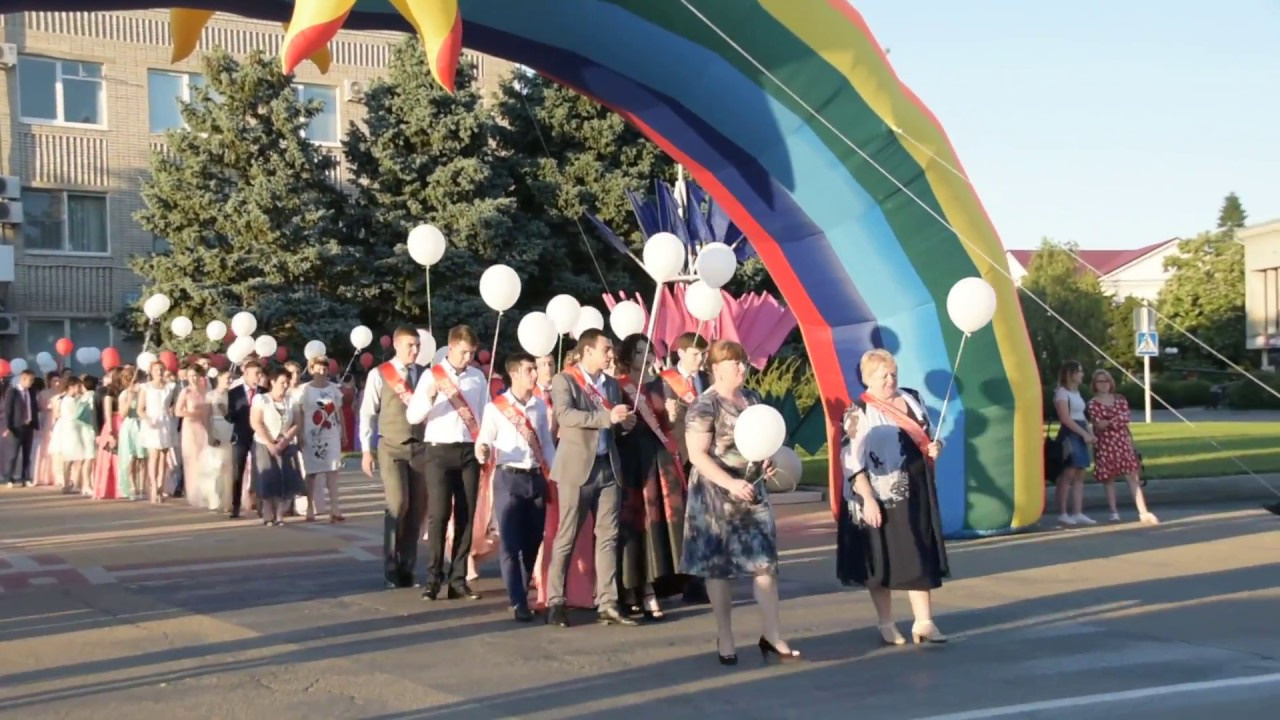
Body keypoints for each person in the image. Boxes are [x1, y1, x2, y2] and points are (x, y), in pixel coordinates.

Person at [682, 339, 799, 665]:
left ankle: (772, 634)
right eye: (734, 363)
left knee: (765, 565)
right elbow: (697, 455)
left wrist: (767, 462)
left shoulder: (753, 399)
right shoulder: (705, 406)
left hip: (752, 493)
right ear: (716, 369)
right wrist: (730, 482)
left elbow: (761, 442)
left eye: (743, 362)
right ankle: (725, 635)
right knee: (718, 569)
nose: (741, 368)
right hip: (716, 495)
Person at [837, 348, 950, 647]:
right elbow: (850, 459)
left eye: (893, 374)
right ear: (867, 379)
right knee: (880, 559)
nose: (890, 380)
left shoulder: (911, 397)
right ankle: (886, 623)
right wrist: (868, 498)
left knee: (918, 551)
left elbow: (930, 433)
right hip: (878, 494)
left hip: (916, 490)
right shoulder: (858, 411)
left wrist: (937, 446)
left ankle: (924, 622)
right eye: (883, 376)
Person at [545, 329, 638, 628]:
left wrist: (624, 424)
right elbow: (566, 416)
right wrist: (606, 418)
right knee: (567, 535)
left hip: (608, 466)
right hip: (577, 469)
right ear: (587, 352)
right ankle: (556, 601)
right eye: (605, 349)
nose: (611, 355)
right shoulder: (565, 380)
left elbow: (613, 425)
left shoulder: (611, 384)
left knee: (608, 536)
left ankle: (607, 602)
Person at [405, 325, 488, 601]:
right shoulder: (432, 375)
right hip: (439, 451)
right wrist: (430, 395)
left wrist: (485, 442)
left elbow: (484, 414)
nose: (468, 358)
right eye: (463, 352)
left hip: (468, 451)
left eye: (471, 353)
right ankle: (433, 578)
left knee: (466, 515)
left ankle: (458, 579)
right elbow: (413, 416)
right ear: (450, 348)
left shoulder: (477, 377)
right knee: (439, 515)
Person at [475, 352, 556, 622]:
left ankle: (521, 589)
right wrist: (482, 451)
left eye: (535, 369)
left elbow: (546, 444)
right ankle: (517, 600)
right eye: (529, 370)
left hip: (535, 477)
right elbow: (483, 441)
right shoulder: (496, 408)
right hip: (508, 478)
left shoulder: (539, 407)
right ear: (514, 374)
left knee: (533, 541)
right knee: (510, 543)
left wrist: (555, 473)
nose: (535, 374)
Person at [615, 333, 688, 620]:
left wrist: (671, 415)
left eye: (648, 351)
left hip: (660, 460)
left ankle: (659, 584)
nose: (645, 356)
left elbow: (666, 427)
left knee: (663, 525)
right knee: (638, 526)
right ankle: (639, 589)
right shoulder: (620, 386)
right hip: (634, 463)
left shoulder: (660, 384)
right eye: (638, 352)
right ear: (628, 356)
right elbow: (617, 428)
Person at [360, 327, 427, 590]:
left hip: (420, 448)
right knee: (398, 504)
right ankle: (390, 565)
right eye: (410, 345)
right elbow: (368, 413)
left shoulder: (425, 374)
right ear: (397, 345)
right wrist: (367, 450)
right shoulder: (379, 374)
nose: (415, 350)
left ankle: (407, 568)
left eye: (418, 345)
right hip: (391, 446)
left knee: (417, 510)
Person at [661, 332, 711, 605]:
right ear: (680, 353)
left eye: (703, 354)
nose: (700, 359)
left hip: (706, 457)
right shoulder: (665, 381)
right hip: (678, 458)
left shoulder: (707, 380)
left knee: (703, 519)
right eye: (695, 354)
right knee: (683, 521)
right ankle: (683, 579)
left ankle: (699, 579)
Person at [1086, 369, 1158, 525]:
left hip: (1123, 442)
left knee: (1132, 477)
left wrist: (1109, 421)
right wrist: (1115, 420)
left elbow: (1126, 418)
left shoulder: (1120, 399)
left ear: (1111, 382)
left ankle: (1143, 511)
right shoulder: (1092, 403)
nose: (1103, 384)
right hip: (1105, 444)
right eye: (1100, 381)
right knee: (1109, 478)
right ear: (1094, 384)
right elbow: (1099, 423)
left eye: (1106, 380)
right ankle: (1113, 512)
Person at [251, 366, 304, 526]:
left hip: (285, 444)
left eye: (287, 382)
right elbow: (256, 422)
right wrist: (269, 442)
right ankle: (267, 513)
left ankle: (280, 514)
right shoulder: (261, 399)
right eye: (282, 382)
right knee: (267, 478)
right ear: (272, 382)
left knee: (285, 478)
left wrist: (285, 440)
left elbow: (297, 423)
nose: (285, 385)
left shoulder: (292, 400)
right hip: (263, 443)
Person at [299, 355, 346, 522]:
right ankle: (309, 507)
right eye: (318, 368)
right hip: (311, 434)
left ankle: (335, 508)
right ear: (311, 370)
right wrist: (300, 434)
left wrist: (344, 433)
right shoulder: (304, 390)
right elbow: (300, 413)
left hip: (331, 432)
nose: (322, 372)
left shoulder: (333, 389)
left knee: (332, 470)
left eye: (325, 369)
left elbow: (339, 411)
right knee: (311, 472)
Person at [1053, 360, 1095, 526]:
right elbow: (1065, 418)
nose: (1082, 374)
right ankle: (1063, 512)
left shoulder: (1076, 393)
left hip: (1081, 428)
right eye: (1079, 371)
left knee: (1080, 473)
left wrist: (1090, 432)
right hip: (1070, 433)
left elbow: (1081, 415)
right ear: (1070, 374)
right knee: (1068, 473)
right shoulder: (1062, 393)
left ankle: (1078, 512)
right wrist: (1083, 433)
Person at [225, 360, 266, 519]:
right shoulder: (234, 392)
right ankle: (235, 505)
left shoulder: (264, 392)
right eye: (256, 373)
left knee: (261, 470)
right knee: (238, 470)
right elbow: (230, 415)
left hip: (258, 435)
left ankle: (261, 504)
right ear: (246, 374)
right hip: (241, 435)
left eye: (260, 373)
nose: (258, 376)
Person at [5, 370, 40, 487]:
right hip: (16, 427)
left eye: (33, 380)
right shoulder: (13, 392)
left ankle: (26, 478)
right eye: (30, 380)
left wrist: (36, 424)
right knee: (13, 454)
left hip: (29, 426)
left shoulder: (31, 392)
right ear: (23, 379)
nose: (32, 382)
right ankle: (9, 478)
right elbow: (8, 410)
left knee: (27, 454)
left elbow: (34, 408)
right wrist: (9, 427)